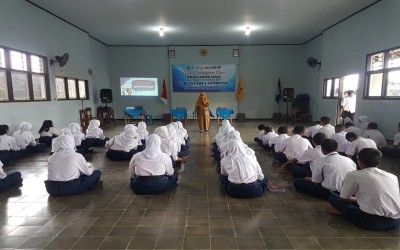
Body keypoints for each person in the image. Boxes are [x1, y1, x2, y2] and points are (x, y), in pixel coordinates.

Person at [328, 148, 400, 231]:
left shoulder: (354, 174)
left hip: (371, 222)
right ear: (379, 161)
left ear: (360, 162)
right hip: (396, 222)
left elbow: (344, 198)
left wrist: (357, 200)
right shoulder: (392, 176)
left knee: (333, 197)